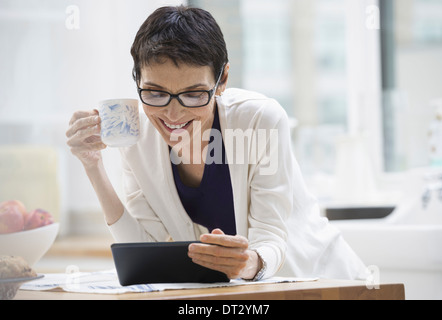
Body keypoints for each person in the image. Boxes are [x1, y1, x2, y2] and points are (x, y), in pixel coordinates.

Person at [66, 5, 367, 281]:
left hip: (323, 282)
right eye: (155, 93)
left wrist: (247, 262)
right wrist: (92, 166)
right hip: (241, 296)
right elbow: (147, 248)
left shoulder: (259, 119)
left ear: (222, 80)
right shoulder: (138, 137)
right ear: (138, 81)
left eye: (194, 94)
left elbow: (271, 235)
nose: (173, 113)